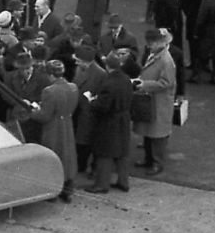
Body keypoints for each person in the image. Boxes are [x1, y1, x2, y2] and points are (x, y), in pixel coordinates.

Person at [84, 50, 133, 193]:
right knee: (122, 153)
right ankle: (123, 182)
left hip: (109, 123)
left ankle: (101, 185)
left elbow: (103, 106)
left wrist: (91, 102)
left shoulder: (108, 83)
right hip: (123, 119)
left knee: (104, 154)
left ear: (107, 66)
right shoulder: (126, 79)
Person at [31, 60, 78, 202]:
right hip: (67, 125)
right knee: (68, 156)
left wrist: (33, 111)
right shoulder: (73, 87)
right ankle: (68, 190)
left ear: (50, 75)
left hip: (53, 128)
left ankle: (53, 192)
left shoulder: (49, 91)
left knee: (54, 156)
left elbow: (44, 116)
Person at [132, 28, 177, 177]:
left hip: (159, 102)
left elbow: (166, 82)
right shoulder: (156, 55)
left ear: (160, 43)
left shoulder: (166, 61)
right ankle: (149, 159)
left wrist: (145, 84)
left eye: (151, 43)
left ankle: (157, 163)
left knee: (158, 135)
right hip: (151, 101)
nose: (149, 46)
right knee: (149, 132)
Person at [72, 44, 106, 177]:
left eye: (78, 60)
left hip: (89, 114)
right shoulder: (79, 69)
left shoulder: (100, 74)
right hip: (78, 111)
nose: (76, 62)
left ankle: (90, 167)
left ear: (86, 61)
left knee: (87, 142)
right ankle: (81, 165)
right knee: (79, 141)